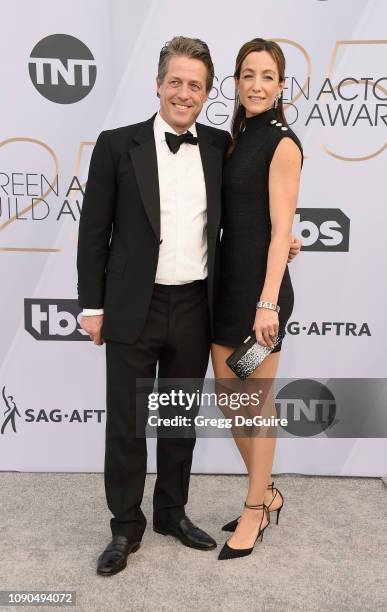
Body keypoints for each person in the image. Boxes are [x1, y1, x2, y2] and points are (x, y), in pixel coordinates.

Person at [77, 36, 301, 576]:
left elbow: (259, 212)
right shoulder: (115, 144)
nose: (184, 92)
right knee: (128, 423)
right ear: (158, 85)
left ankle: (172, 514)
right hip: (134, 306)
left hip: (199, 304)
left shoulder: (218, 146)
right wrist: (92, 306)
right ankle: (125, 528)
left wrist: (286, 239)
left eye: (194, 85)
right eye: (175, 82)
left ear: (206, 93)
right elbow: (93, 232)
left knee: (179, 419)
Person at [211, 38, 303, 560]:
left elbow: (279, 229)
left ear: (281, 85)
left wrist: (267, 303)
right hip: (226, 285)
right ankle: (266, 491)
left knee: (255, 405)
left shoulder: (283, 142)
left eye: (267, 76)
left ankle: (254, 510)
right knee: (230, 400)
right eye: (248, 74)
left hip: (259, 296)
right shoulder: (238, 135)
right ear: (237, 81)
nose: (257, 84)